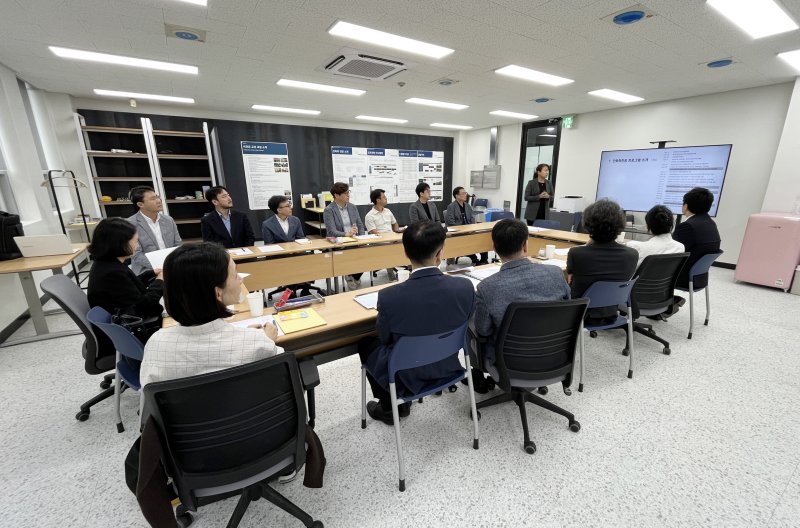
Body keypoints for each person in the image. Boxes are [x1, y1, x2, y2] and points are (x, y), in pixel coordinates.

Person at [358, 221, 474, 425]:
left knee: (366, 344)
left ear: (405, 253)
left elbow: (385, 338)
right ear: (440, 254)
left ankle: (390, 407)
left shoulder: (389, 297)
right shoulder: (464, 287)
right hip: (448, 365)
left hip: (405, 372)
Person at [139, 242, 281, 387]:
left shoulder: (155, 345)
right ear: (217, 293)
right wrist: (268, 340)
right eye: (235, 274)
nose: (241, 279)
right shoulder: (258, 343)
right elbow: (284, 383)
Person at [468, 219, 571, 392]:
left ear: (494, 247)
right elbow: (568, 311)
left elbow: (483, 331)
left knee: (470, 324)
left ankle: (477, 376)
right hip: (555, 356)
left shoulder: (487, 288)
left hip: (507, 364)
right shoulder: (556, 274)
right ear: (525, 245)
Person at [87, 218, 164, 369]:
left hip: (122, 325)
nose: (137, 244)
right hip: (129, 335)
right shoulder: (112, 273)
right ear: (120, 244)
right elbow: (145, 306)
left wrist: (151, 273)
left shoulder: (108, 263)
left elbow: (128, 286)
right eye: (135, 241)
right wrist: (160, 281)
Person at [566, 199, 638, 325]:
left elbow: (569, 279)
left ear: (588, 225)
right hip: (611, 311)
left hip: (578, 314)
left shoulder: (576, 253)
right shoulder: (632, 255)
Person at [669, 187, 721, 311]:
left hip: (682, 277)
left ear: (685, 206)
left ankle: (659, 304)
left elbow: (670, 251)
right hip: (699, 277)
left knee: (642, 267)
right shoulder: (711, 224)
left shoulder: (688, 226)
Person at [127, 186, 181, 276]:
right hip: (147, 271)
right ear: (140, 204)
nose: (159, 200)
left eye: (157, 197)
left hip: (172, 267)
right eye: (153, 199)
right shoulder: (130, 223)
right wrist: (162, 268)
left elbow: (178, 244)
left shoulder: (168, 220)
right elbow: (136, 254)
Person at [323, 181, 365, 290]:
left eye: (348, 192)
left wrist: (362, 238)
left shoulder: (352, 207)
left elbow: (360, 224)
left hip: (355, 240)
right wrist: (347, 234)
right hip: (340, 243)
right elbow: (331, 231)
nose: (348, 195)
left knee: (367, 254)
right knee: (348, 256)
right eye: (345, 193)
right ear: (336, 195)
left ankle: (353, 275)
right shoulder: (329, 210)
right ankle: (349, 274)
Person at [365, 188, 404, 281]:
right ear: (378, 200)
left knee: (409, 242)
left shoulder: (388, 211)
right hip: (379, 241)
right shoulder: (369, 216)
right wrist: (389, 238)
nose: (386, 198)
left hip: (392, 238)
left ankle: (410, 269)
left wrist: (397, 232)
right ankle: (391, 274)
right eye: (384, 197)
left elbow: (395, 223)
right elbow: (373, 232)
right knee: (388, 247)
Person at [444, 186, 488, 267]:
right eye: (463, 193)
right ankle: (473, 257)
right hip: (457, 232)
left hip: (469, 231)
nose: (465, 195)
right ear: (457, 196)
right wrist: (462, 229)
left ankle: (483, 260)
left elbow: (472, 219)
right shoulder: (451, 206)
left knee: (482, 237)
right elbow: (450, 222)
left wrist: (471, 228)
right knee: (466, 240)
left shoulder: (467, 206)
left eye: (465, 193)